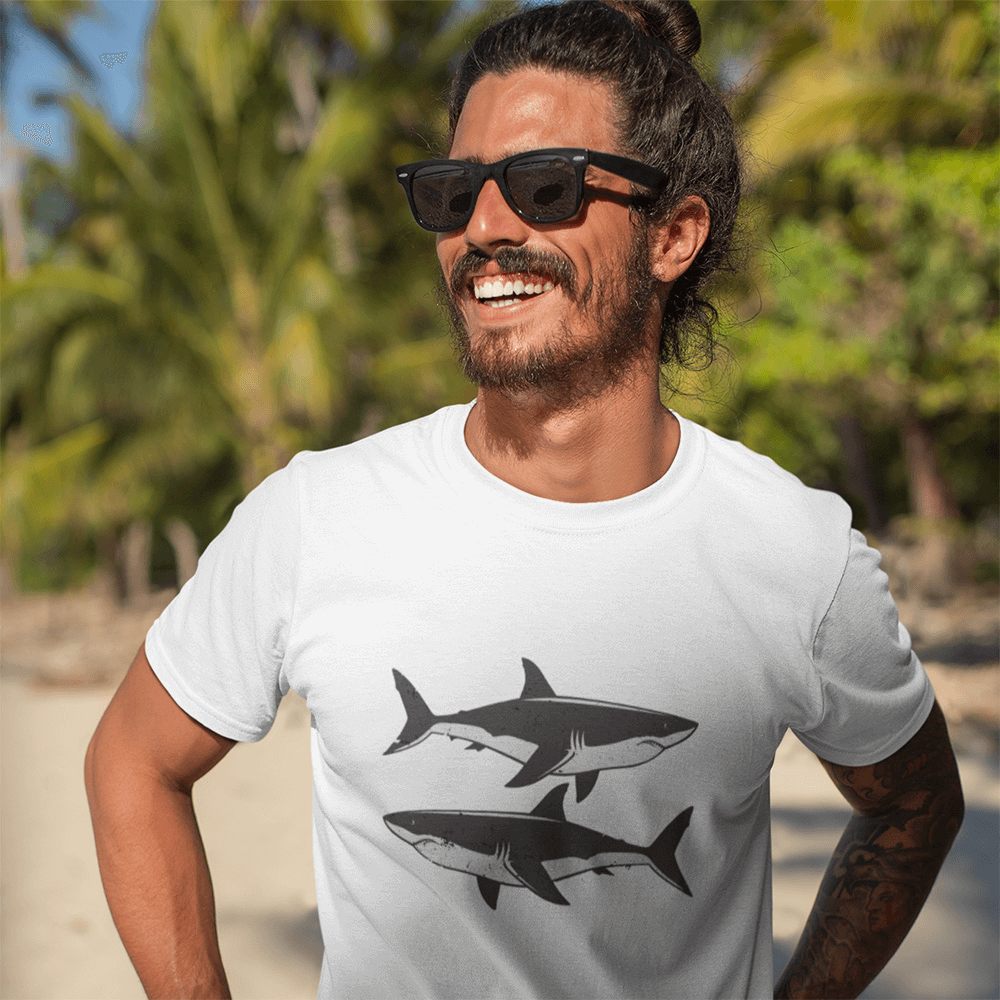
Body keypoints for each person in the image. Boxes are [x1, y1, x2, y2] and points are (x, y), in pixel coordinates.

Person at [84, 2, 965, 998]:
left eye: (545, 188)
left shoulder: (796, 551)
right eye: (451, 193)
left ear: (671, 235)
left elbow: (914, 804)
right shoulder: (313, 515)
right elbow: (131, 762)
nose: (485, 228)